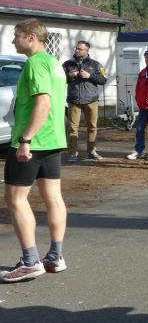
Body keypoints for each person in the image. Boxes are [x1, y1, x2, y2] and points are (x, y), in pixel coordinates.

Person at [1, 19, 68, 283]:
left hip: (33, 141)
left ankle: (30, 262)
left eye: (16, 35)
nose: (12, 40)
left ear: (31, 37)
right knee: (53, 197)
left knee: (15, 200)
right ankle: (55, 256)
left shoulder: (35, 63)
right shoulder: (53, 63)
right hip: (53, 139)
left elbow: (44, 103)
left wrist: (26, 139)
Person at [63, 40, 107, 162]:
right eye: (76, 48)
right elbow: (59, 79)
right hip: (74, 100)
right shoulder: (67, 64)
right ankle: (72, 153)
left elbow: (103, 80)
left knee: (92, 127)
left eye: (80, 49)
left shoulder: (95, 64)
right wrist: (69, 76)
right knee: (73, 128)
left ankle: (92, 151)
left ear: (87, 50)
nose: (77, 50)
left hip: (91, 100)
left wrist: (90, 76)